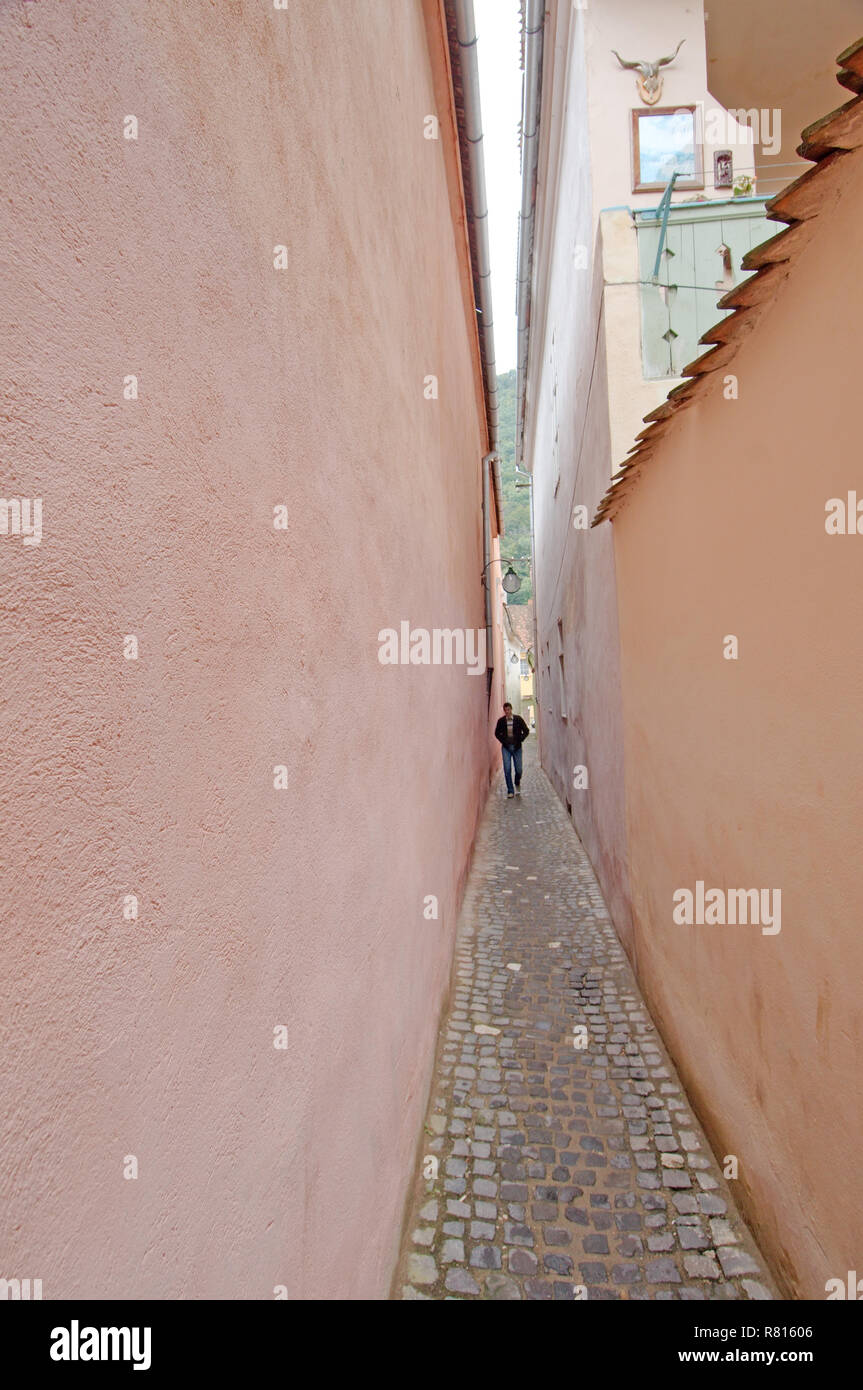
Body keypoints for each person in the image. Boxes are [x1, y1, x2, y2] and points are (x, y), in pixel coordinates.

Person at [494, 702, 530, 798]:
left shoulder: (518, 719)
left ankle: (517, 780)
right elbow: (497, 733)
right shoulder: (501, 721)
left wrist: (520, 739)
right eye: (505, 710)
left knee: (519, 769)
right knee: (507, 769)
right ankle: (510, 790)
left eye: (508, 709)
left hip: (517, 747)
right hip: (506, 748)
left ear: (511, 709)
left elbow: (526, 731)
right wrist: (503, 741)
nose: (507, 712)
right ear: (504, 711)